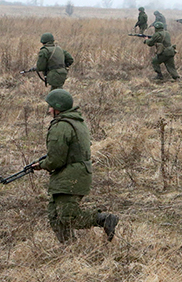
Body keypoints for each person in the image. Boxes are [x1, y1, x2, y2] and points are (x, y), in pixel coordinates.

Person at [31, 89, 119, 243]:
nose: (49, 110)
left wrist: (42, 165)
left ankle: (104, 219)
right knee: (55, 216)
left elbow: (55, 160)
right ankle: (70, 249)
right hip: (74, 175)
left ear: (58, 107)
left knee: (69, 217)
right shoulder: (77, 121)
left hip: (70, 177)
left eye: (51, 107)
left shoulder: (61, 126)